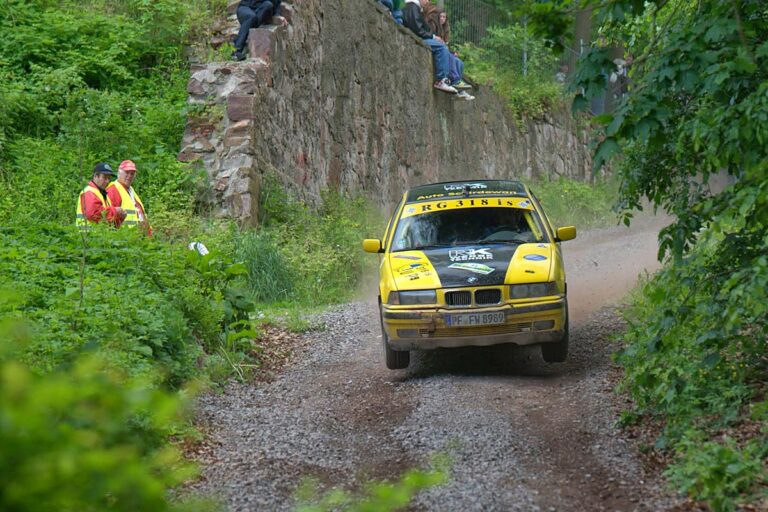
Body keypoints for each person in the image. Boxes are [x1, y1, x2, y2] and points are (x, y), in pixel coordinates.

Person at [402, 0, 457, 94]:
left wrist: (434, 37)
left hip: (419, 36)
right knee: (442, 47)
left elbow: (421, 28)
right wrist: (433, 37)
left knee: (444, 48)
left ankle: (450, 80)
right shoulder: (412, 7)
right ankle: (441, 80)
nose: (428, 1)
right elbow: (418, 29)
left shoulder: (415, 8)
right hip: (417, 37)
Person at [425, 7, 474, 99]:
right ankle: (455, 81)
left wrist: (452, 52)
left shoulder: (444, 29)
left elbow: (445, 44)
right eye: (441, 16)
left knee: (459, 62)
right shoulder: (432, 24)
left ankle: (459, 90)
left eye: (444, 17)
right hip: (436, 49)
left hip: (443, 50)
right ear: (437, 16)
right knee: (451, 57)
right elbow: (432, 38)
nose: (443, 19)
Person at [107, 160, 152, 236]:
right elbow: (109, 216)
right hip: (124, 238)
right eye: (126, 173)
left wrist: (149, 233)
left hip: (137, 238)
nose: (129, 176)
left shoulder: (131, 190)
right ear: (119, 173)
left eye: (132, 174)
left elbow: (141, 214)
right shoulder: (113, 190)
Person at [76, 162, 125, 227]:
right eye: (104, 177)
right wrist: (115, 211)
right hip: (89, 235)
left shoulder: (103, 194)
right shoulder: (89, 192)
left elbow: (109, 223)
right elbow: (94, 215)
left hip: (98, 235)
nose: (107, 181)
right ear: (96, 176)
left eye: (109, 178)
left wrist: (120, 217)